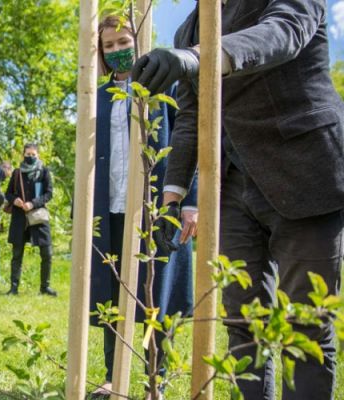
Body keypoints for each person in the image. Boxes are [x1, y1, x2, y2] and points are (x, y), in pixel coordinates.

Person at [131, 2, 344, 399]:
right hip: (230, 186)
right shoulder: (190, 27)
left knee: (307, 321)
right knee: (242, 320)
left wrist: (198, 56)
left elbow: (283, 33)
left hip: (305, 171)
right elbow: (190, 121)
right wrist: (172, 196)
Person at [88, 15, 197, 398]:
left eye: (123, 42)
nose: (118, 51)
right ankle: (110, 374)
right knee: (111, 290)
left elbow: (187, 143)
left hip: (154, 207)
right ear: (101, 54)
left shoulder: (165, 86)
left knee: (157, 291)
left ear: (139, 42)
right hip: (109, 207)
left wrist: (190, 202)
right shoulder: (96, 96)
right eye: (110, 46)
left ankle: (158, 376)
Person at [5, 143, 56, 296]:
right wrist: (15, 201)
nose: (31, 157)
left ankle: (44, 287)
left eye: (33, 155)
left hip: (38, 217)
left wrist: (33, 203)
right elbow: (8, 193)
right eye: (28, 154)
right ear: (23, 155)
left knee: (47, 253)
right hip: (20, 219)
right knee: (17, 254)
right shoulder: (17, 173)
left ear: (38, 155)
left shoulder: (44, 172)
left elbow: (49, 194)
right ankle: (14, 288)